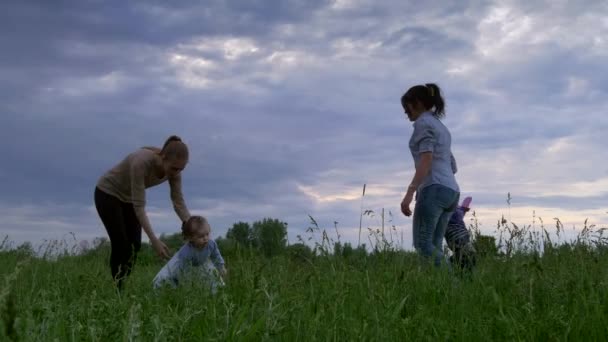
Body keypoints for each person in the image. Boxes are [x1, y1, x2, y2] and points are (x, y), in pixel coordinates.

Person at [94, 135, 191, 289]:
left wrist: (191, 225)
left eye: (181, 169)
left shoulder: (175, 172)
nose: (176, 172)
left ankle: (123, 283)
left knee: (135, 246)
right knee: (122, 245)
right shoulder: (141, 162)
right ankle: (118, 290)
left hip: (128, 199)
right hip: (108, 193)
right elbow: (139, 207)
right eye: (174, 168)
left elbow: (178, 202)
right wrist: (154, 241)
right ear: (163, 158)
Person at [400, 83, 460, 267]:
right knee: (435, 246)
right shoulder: (441, 127)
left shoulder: (423, 123)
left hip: (433, 189)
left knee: (423, 244)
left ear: (417, 102)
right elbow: (453, 166)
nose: (405, 112)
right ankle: (442, 291)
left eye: (407, 107)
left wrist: (410, 193)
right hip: (451, 191)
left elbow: (426, 159)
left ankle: (454, 286)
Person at [153, 216, 227, 294]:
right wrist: (186, 284)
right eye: (201, 236)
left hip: (200, 263)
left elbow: (216, 256)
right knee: (165, 281)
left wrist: (221, 267)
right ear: (191, 238)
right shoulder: (186, 252)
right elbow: (183, 271)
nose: (205, 238)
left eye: (207, 234)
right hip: (179, 266)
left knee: (213, 278)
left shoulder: (211, 244)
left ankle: (216, 293)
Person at [445, 196, 476, 272]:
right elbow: (467, 202)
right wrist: (464, 207)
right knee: (469, 268)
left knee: (457, 261)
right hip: (465, 240)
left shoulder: (446, 214)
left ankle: (450, 264)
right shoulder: (460, 212)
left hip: (458, 240)